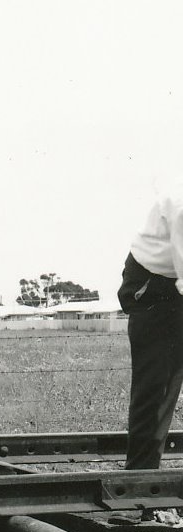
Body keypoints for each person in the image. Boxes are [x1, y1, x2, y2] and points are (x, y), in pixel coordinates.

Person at [117, 176, 183, 473]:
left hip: (174, 282)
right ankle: (140, 482)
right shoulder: (181, 203)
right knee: (157, 384)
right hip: (152, 284)